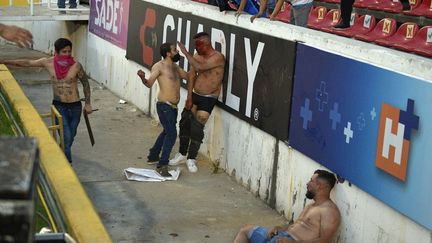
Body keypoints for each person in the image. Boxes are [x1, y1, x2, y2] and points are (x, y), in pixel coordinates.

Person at [0, 38, 92, 163]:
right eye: (64, 52)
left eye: (69, 51)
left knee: (71, 137)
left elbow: (86, 84)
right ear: (56, 52)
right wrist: (4, 61)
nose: (67, 54)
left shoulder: (76, 66)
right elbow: (27, 62)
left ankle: (62, 153)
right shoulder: (48, 63)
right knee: (67, 136)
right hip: (59, 106)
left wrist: (87, 104)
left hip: (75, 106)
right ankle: (67, 163)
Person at [169, 32, 225, 173]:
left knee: (197, 127)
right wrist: (189, 96)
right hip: (195, 94)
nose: (196, 49)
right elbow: (193, 75)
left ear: (205, 45)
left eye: (197, 46)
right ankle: (182, 154)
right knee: (185, 122)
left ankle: (191, 158)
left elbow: (200, 67)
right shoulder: (196, 56)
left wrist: (185, 52)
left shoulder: (217, 57)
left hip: (209, 97)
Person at [233, 170, 341, 243]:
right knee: (245, 230)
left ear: (321, 186)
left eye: (311, 181)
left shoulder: (330, 211)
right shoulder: (311, 205)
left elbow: (324, 241)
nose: (307, 184)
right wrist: (279, 228)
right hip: (282, 236)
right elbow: (296, 226)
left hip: (293, 241)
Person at [137, 42, 190, 177]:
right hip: (164, 106)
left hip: (173, 107)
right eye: (175, 50)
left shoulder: (175, 67)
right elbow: (149, 84)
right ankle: (162, 164)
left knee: (167, 131)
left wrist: (193, 60)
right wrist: (143, 77)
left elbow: (188, 76)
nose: (177, 52)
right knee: (172, 134)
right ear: (168, 53)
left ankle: (153, 155)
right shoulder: (159, 67)